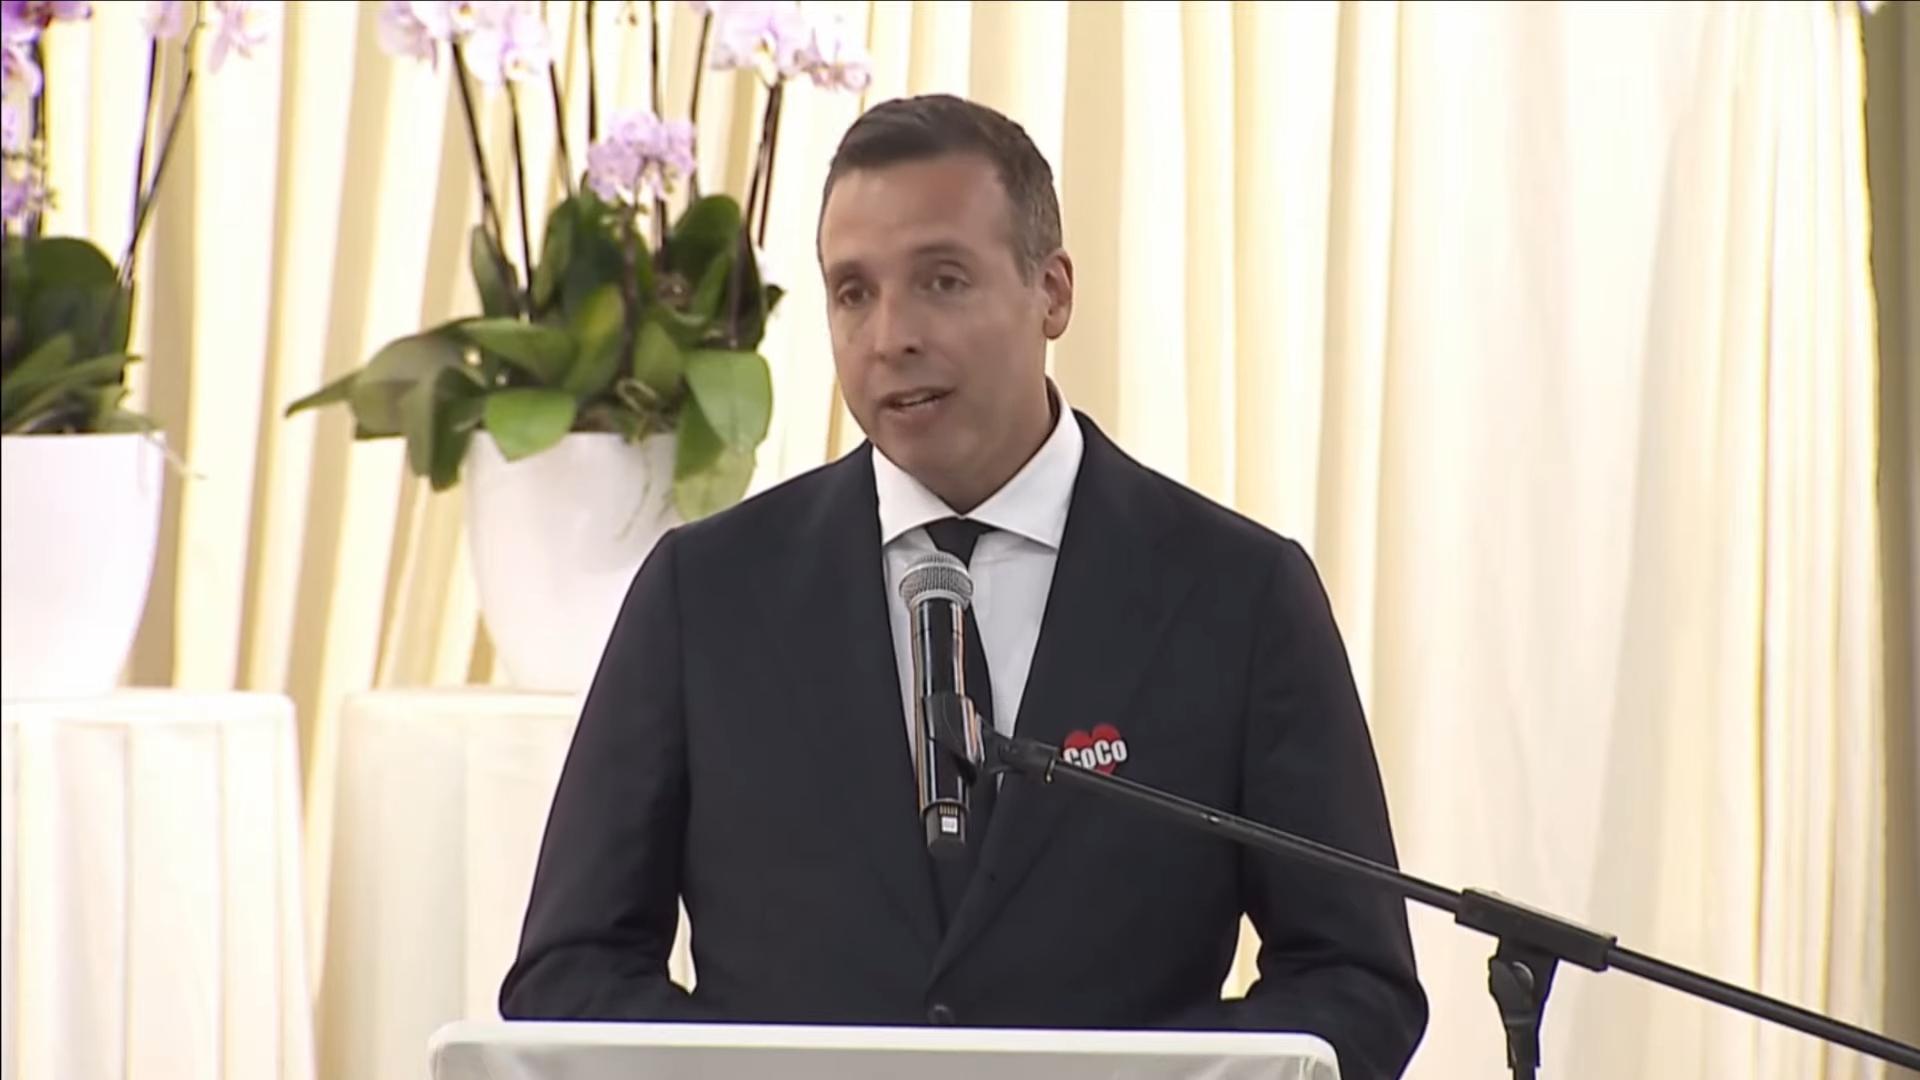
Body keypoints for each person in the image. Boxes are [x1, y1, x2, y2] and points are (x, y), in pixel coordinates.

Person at [499, 93, 1429, 1080]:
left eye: (941, 281)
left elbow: (1353, 979)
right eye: (853, 293)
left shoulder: (1238, 595)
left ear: (1052, 292)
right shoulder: (706, 595)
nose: (890, 335)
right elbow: (571, 972)